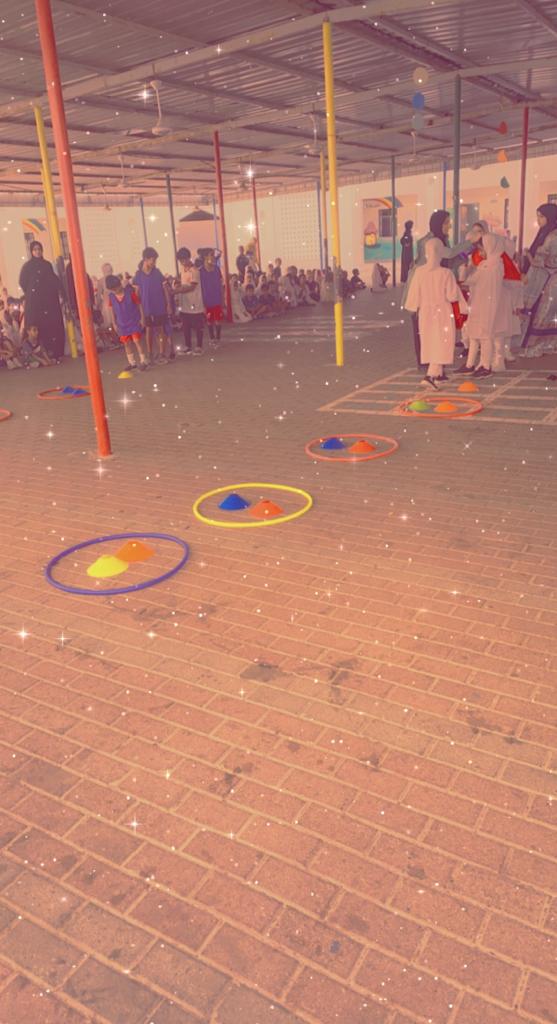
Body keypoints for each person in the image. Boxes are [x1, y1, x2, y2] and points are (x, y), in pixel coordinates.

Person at [405, 212, 479, 370]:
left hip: (435, 293)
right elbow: (449, 254)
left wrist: (468, 252)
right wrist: (469, 242)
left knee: (435, 330)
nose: (449, 226)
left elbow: (450, 260)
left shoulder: (442, 240)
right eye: (446, 223)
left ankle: (434, 363)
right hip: (423, 292)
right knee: (422, 329)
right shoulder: (430, 241)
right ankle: (426, 363)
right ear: (438, 224)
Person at [404, 237, 464, 390]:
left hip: (425, 312)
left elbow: (413, 296)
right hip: (442, 311)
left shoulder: (419, 271)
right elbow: (452, 296)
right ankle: (430, 375)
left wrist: (414, 308)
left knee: (430, 341)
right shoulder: (446, 273)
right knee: (442, 341)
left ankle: (438, 374)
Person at [455, 234, 504, 378]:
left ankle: (485, 366)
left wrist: (464, 277)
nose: (481, 253)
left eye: (482, 249)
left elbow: (473, 281)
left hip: (486, 305)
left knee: (484, 335)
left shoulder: (493, 265)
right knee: (474, 333)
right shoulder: (490, 264)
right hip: (478, 303)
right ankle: (470, 364)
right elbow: (473, 281)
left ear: (489, 247)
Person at [520, 203, 557, 358]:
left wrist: (529, 256)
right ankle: (538, 345)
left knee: (544, 313)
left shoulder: (554, 236)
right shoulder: (544, 233)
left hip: (551, 281)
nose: (538, 220)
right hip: (541, 280)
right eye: (538, 216)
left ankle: (540, 346)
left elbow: (552, 262)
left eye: (541, 216)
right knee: (539, 312)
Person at [18, 240, 66, 361]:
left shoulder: (46, 265)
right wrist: (32, 292)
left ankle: (53, 351)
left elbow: (53, 280)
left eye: (39, 249)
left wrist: (60, 292)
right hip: (35, 302)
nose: (37, 252)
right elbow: (22, 282)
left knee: (51, 325)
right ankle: (38, 354)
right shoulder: (27, 267)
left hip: (48, 301)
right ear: (31, 251)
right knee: (37, 326)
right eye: (35, 250)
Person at [133, 247, 169, 364]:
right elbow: (136, 294)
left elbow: (165, 290)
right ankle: (150, 354)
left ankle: (162, 353)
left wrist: (168, 304)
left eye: (155, 260)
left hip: (159, 306)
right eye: (152, 260)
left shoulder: (157, 273)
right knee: (149, 330)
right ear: (145, 259)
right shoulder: (138, 275)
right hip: (146, 308)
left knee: (160, 330)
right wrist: (138, 310)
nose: (154, 263)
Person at [106, 274, 147, 371]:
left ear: (120, 284)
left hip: (134, 321)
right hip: (121, 323)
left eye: (117, 287)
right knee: (126, 343)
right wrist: (114, 323)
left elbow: (139, 305)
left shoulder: (130, 293)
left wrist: (142, 318)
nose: (116, 290)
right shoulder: (111, 297)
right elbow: (112, 310)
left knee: (137, 341)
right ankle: (132, 363)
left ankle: (143, 361)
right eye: (113, 290)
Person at [175, 247, 205, 355]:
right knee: (186, 326)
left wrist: (177, 291)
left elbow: (192, 287)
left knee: (198, 326)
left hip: (195, 303)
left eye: (184, 260)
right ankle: (188, 346)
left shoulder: (194, 271)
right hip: (185, 304)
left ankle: (199, 346)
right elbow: (183, 284)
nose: (183, 262)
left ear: (188, 258)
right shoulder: (183, 270)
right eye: (180, 261)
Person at [199, 249, 224, 346]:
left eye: (213, 255)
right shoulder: (200, 271)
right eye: (211, 255)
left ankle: (218, 338)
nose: (213, 257)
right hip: (206, 299)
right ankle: (212, 337)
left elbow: (221, 284)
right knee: (209, 320)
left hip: (217, 298)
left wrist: (223, 298)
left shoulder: (217, 269)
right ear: (205, 257)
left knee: (218, 320)